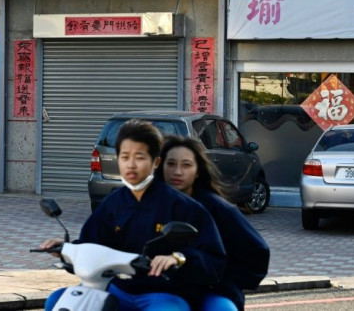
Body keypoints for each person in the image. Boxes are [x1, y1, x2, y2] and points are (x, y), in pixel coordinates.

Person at [40, 119, 226, 311]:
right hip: (115, 288)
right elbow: (92, 245)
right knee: (56, 300)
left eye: (139, 157)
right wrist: (67, 250)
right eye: (125, 157)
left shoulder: (184, 207)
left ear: (156, 162)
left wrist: (178, 258)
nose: (131, 165)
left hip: (164, 292)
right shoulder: (111, 205)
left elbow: (213, 259)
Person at [157, 135, 270, 311]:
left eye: (186, 165)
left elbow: (258, 252)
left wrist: (223, 280)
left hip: (212, 291)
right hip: (162, 291)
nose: (177, 171)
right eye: (170, 164)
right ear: (160, 166)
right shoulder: (150, 204)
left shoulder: (218, 208)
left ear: (198, 171)